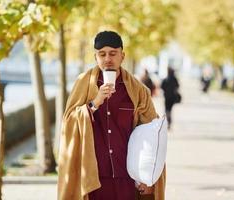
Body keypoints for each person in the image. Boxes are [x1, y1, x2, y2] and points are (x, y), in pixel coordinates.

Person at [58, 31, 166, 200]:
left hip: (126, 178)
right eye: (102, 54)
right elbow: (69, 123)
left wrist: (147, 177)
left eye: (113, 53)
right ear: (96, 57)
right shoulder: (83, 84)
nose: (107, 59)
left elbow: (152, 133)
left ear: (122, 56)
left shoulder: (138, 90)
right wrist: (94, 103)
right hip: (93, 178)